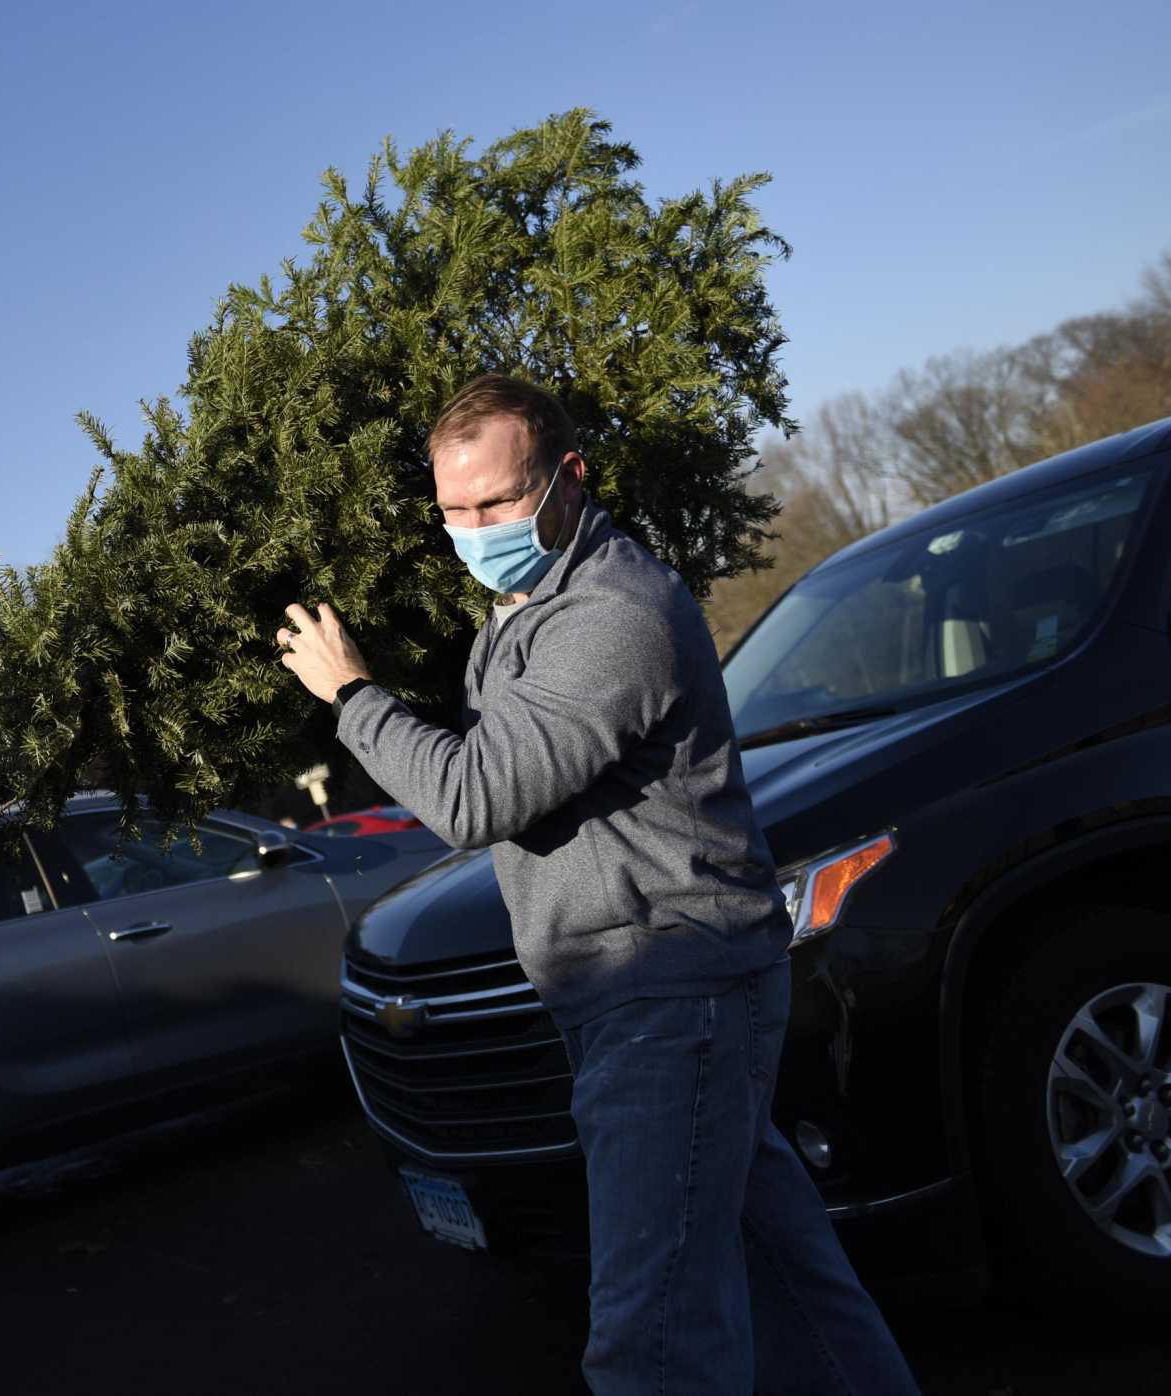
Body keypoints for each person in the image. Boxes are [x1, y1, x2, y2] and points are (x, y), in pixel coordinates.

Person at [275, 375, 918, 1395]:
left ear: (567, 477)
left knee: (648, 1342)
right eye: (452, 511)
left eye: (495, 502)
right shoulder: (523, 617)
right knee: (793, 1290)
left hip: (670, 993)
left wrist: (350, 693)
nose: (472, 528)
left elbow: (477, 794)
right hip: (638, 997)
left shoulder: (612, 616)